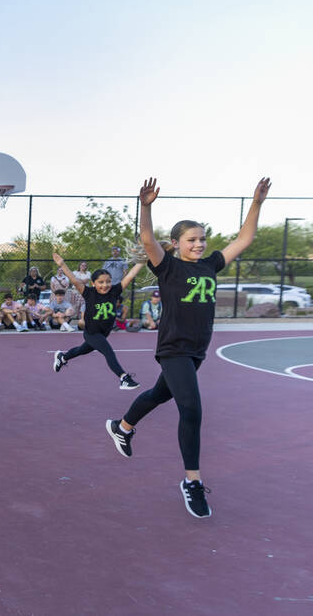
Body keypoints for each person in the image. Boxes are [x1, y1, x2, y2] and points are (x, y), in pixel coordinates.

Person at [106, 177, 271, 519]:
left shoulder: (210, 264)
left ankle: (121, 426)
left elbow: (245, 238)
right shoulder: (167, 267)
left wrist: (256, 202)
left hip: (197, 350)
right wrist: (146, 206)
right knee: (191, 410)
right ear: (178, 243)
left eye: (202, 239)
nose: (199, 244)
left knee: (158, 394)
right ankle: (192, 481)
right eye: (192, 240)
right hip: (174, 348)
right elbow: (147, 238)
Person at [51, 252, 145, 389]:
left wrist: (143, 260)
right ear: (93, 283)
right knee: (108, 352)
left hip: (103, 333)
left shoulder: (114, 291)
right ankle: (124, 378)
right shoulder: (89, 293)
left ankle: (62, 357)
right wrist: (62, 264)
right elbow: (75, 280)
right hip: (92, 333)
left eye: (108, 281)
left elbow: (130, 276)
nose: (105, 285)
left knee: (81, 350)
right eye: (101, 282)